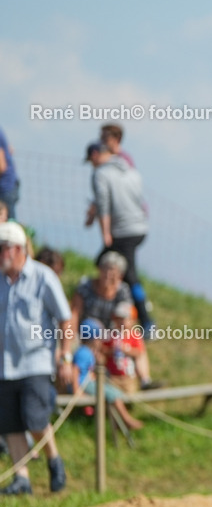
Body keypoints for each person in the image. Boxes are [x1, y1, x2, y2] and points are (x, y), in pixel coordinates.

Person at [0, 222, 73, 494]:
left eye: (2, 249)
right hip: (4, 366)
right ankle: (22, 479)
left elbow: (65, 319)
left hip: (36, 362)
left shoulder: (43, 277)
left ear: (18, 249)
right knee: (10, 424)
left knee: (35, 418)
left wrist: (65, 357)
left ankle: (54, 460)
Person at [84, 141, 154, 333]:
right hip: (139, 227)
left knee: (125, 273)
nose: (92, 165)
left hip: (122, 231)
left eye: (91, 161)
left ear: (96, 155)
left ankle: (145, 319)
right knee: (122, 270)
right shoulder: (131, 171)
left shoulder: (100, 174)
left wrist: (106, 233)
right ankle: (127, 310)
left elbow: (104, 205)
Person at [70, 252, 159, 390]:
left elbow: (128, 316)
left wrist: (123, 338)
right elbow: (74, 313)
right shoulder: (86, 286)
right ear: (99, 270)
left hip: (112, 334)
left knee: (136, 340)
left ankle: (145, 381)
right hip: (87, 333)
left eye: (113, 272)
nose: (108, 275)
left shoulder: (122, 290)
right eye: (105, 270)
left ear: (120, 276)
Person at [68, 318, 143, 430]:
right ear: (93, 339)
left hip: (87, 382)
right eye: (99, 338)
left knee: (112, 391)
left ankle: (118, 420)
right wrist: (76, 391)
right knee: (113, 394)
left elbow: (87, 370)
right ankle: (126, 420)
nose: (101, 342)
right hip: (83, 384)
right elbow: (75, 371)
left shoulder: (88, 352)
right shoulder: (83, 352)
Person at [0, 126, 19, 221]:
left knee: (8, 227)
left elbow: (1, 166)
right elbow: (10, 149)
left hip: (5, 188)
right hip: (8, 185)